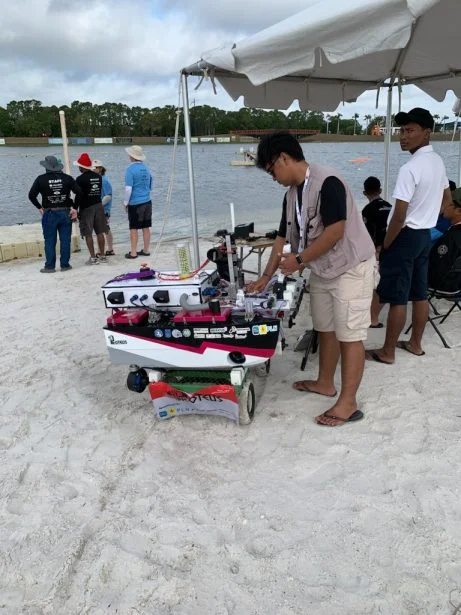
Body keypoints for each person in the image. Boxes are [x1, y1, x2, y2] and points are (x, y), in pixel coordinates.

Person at [249, 132, 376, 427]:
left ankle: (348, 402)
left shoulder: (327, 181)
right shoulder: (291, 194)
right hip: (323, 269)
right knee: (325, 327)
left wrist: (299, 260)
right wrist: (265, 277)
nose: (273, 178)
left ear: (283, 158)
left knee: (350, 334)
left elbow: (335, 232)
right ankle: (325, 382)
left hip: (351, 266)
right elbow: (281, 237)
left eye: (272, 171)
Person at [366, 108, 451, 363]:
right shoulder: (437, 162)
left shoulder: (410, 168)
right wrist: (427, 213)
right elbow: (446, 201)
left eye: (410, 130)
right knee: (419, 293)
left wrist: (386, 243)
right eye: (401, 131)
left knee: (398, 296)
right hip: (424, 235)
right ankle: (415, 343)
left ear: (426, 133)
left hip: (405, 235)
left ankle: (388, 352)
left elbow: (400, 215)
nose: (403, 136)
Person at [28, 155, 80, 273]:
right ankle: (65, 265)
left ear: (46, 167)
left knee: (50, 241)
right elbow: (79, 192)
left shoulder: (40, 179)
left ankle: (50, 266)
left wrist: (39, 207)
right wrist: (75, 208)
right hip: (65, 212)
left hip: (49, 213)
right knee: (65, 240)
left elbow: (31, 195)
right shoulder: (67, 178)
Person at [361, 176, 392, 327]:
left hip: (375, 249)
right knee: (382, 280)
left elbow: (367, 234)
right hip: (392, 246)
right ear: (380, 190)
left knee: (376, 282)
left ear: (364, 193)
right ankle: (372, 315)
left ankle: (372, 318)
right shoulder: (390, 206)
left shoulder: (367, 210)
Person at [73, 152, 108, 265]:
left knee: (88, 233)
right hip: (98, 205)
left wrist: (75, 208)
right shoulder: (98, 177)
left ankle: (93, 258)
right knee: (100, 232)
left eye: (79, 166)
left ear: (82, 167)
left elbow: (78, 195)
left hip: (86, 208)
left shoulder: (80, 179)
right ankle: (102, 256)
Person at [428, 187, 461, 293]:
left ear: (458, 211)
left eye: (449, 204)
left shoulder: (451, 237)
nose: (444, 206)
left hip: (446, 286)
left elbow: (438, 269)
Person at [124, 145, 153, 259]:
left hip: (135, 203)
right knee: (146, 227)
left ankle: (133, 252)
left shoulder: (130, 169)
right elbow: (150, 184)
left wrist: (126, 202)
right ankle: (146, 250)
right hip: (147, 201)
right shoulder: (146, 168)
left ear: (132, 156)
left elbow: (128, 188)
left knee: (133, 228)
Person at [93, 159, 114, 256]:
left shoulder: (104, 180)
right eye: (92, 168)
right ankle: (109, 249)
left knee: (103, 229)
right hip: (100, 208)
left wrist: (99, 205)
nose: (93, 169)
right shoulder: (98, 179)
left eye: (95, 168)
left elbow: (108, 196)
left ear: (100, 168)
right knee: (104, 229)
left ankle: (104, 250)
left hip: (103, 209)